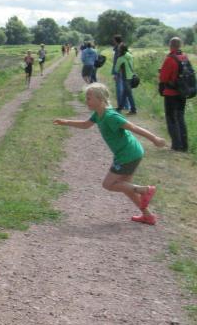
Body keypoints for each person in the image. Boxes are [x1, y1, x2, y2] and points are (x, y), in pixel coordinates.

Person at [53, 83, 166, 225]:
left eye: (89, 98)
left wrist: (154, 139)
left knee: (109, 184)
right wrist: (66, 122)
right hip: (129, 153)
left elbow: (133, 127)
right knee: (127, 186)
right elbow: (85, 125)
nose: (86, 101)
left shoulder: (110, 116)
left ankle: (145, 190)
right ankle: (148, 215)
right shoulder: (98, 114)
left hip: (128, 154)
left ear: (100, 99)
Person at [158, 36, 189, 152]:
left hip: (171, 93)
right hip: (182, 92)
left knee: (171, 118)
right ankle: (184, 145)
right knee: (180, 117)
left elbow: (163, 78)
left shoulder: (170, 59)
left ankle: (176, 145)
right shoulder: (184, 57)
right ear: (180, 45)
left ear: (170, 45)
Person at [115, 43, 136, 115]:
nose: (118, 50)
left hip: (125, 77)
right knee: (125, 93)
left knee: (129, 94)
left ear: (120, 50)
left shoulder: (120, 58)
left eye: (119, 49)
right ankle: (120, 107)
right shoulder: (130, 55)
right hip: (131, 76)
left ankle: (133, 109)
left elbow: (116, 69)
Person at [111, 34, 130, 112]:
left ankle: (121, 106)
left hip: (119, 71)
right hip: (124, 71)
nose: (113, 41)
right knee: (124, 88)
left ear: (116, 40)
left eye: (113, 40)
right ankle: (126, 106)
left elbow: (117, 61)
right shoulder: (123, 47)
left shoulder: (118, 48)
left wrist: (115, 72)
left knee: (119, 89)